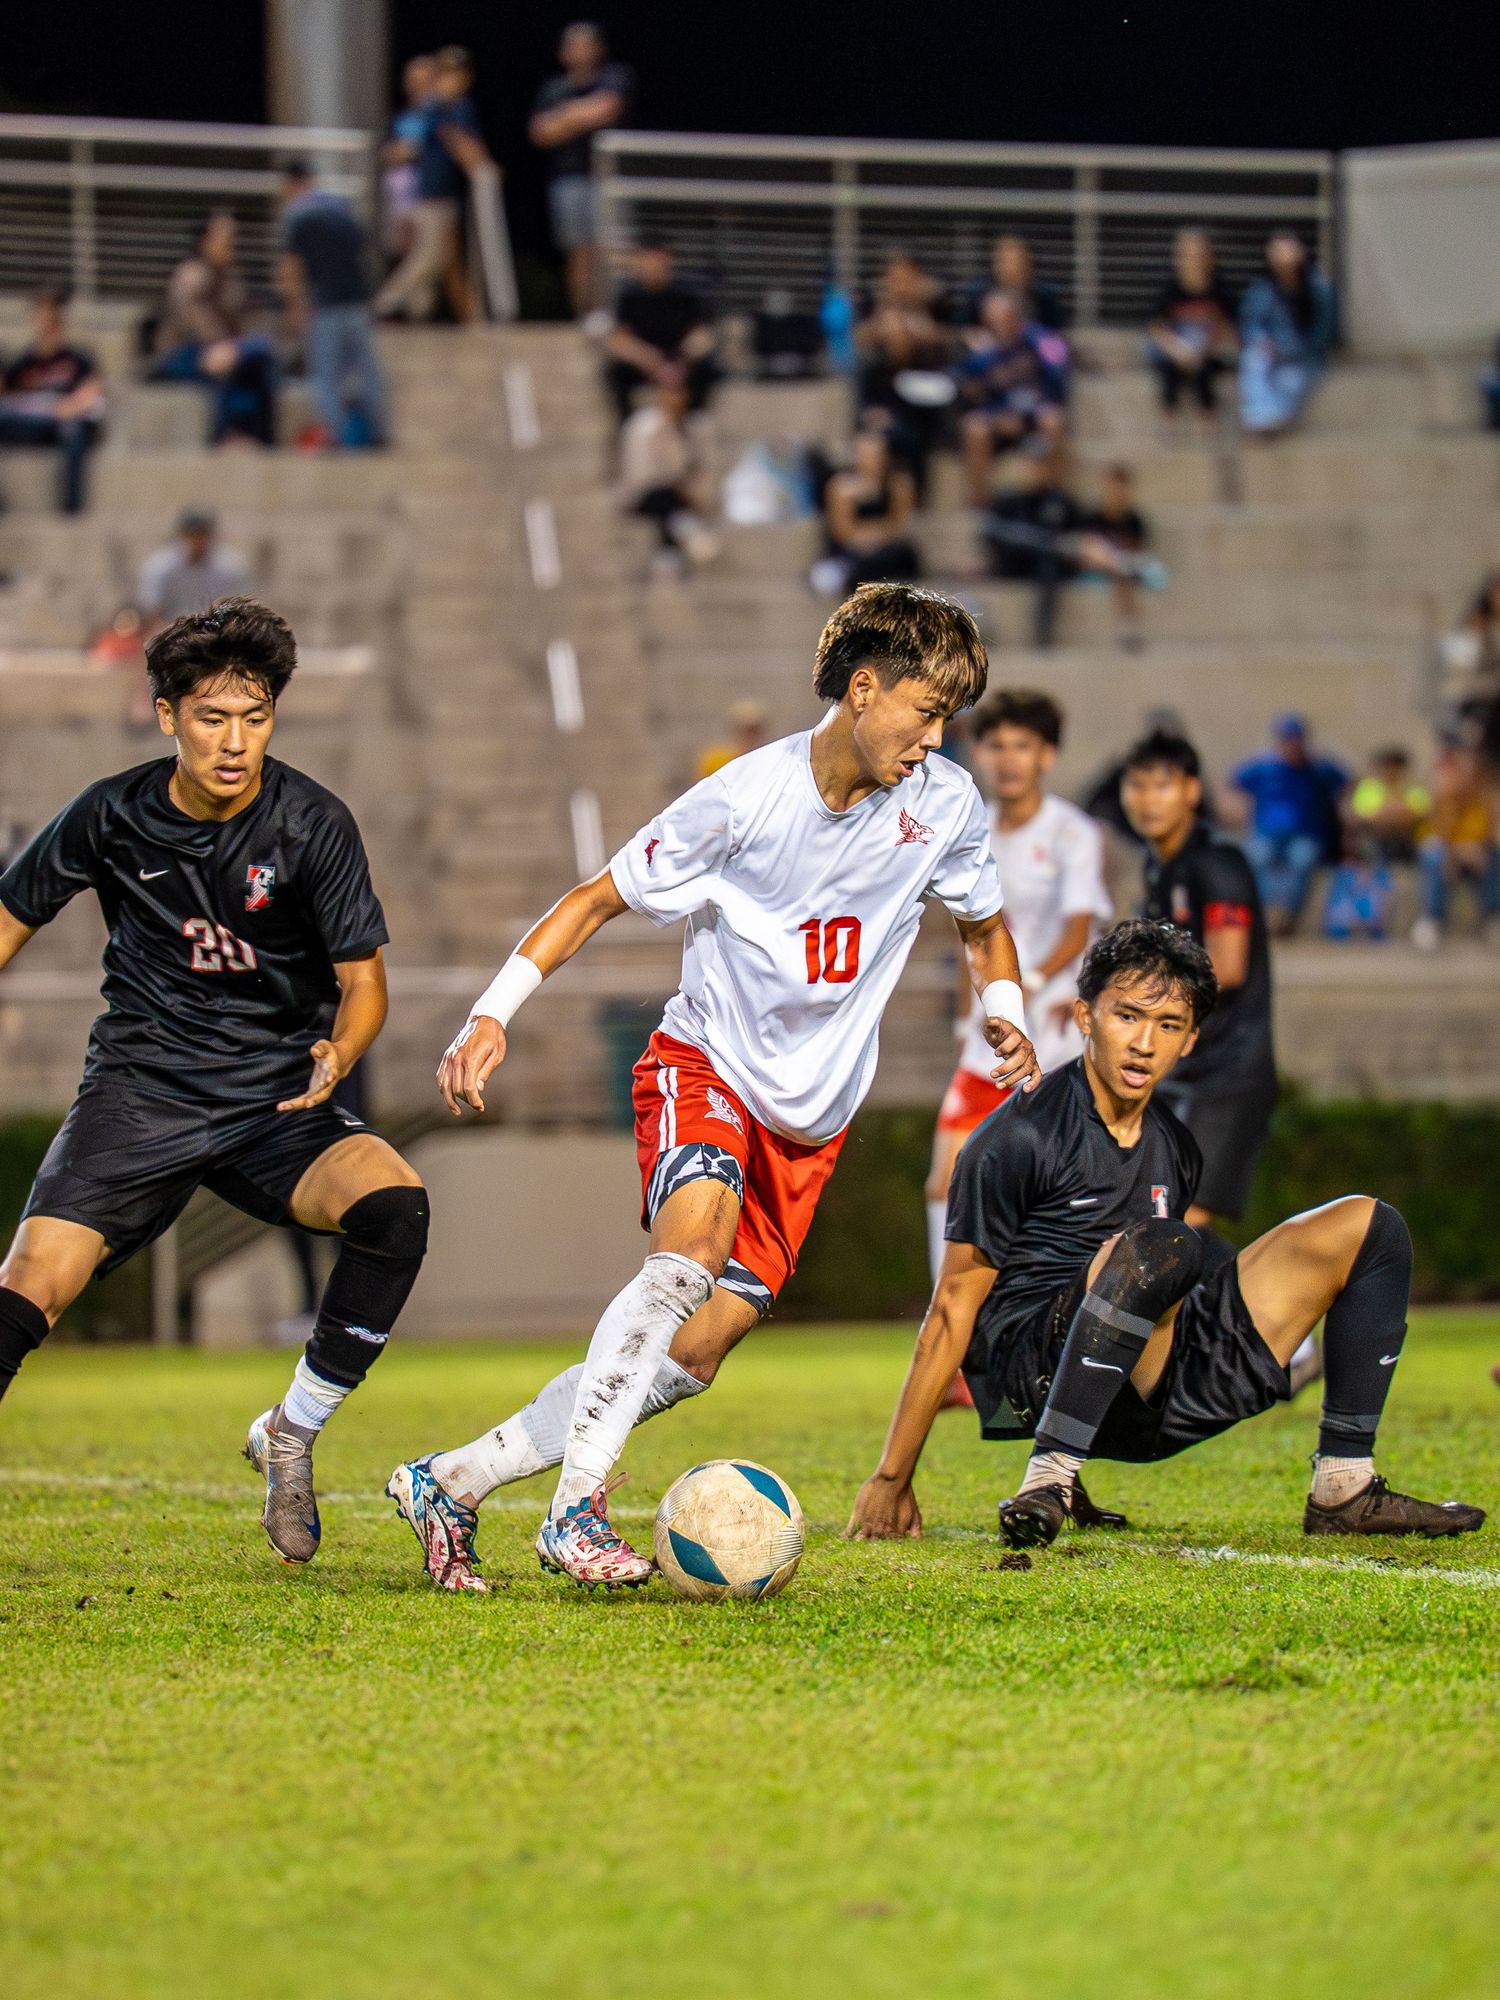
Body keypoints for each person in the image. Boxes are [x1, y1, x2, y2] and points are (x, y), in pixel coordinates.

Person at [385, 583, 1041, 1593]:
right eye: (925, 709)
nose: (935, 736)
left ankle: (453, 1478)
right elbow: (596, 897)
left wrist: (1009, 1008)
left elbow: (984, 925)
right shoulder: (744, 797)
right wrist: (490, 1012)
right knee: (684, 1257)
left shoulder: (944, 803)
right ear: (863, 688)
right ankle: (578, 1510)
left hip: (811, 1121)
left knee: (692, 1353)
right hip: (709, 1064)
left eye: (948, 717)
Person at [0, 601, 428, 1568]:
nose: (235, 742)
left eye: (256, 718)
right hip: (139, 1093)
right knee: (29, 1289)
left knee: (396, 1205)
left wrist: (341, 1052)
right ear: (167, 717)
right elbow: (8, 919)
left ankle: (293, 1429)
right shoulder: (111, 813)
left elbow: (364, 986)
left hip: (276, 1099)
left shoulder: (313, 822)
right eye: (211, 718)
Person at [846, 920, 1484, 1548]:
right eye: (1127, 1016)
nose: (1144, 1043)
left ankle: (1344, 1485)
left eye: (1168, 1025)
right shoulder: (1016, 1136)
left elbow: (1155, 1290)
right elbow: (953, 1307)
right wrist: (891, 1476)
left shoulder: (1176, 1148)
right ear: (1084, 1016)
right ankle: (1050, 1476)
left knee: (1369, 1226)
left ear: (1191, 1040)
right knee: (1168, 1243)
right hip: (1035, 1370)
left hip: (1146, 1382)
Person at [927, 690, 1111, 1290]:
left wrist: (1023, 984)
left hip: (1055, 1040)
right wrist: (965, 1026)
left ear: (1047, 756)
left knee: (1065, 1190)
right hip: (992, 1037)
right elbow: (969, 938)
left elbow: (1078, 928)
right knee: (946, 1179)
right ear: (977, 752)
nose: (1008, 759)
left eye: (1022, 746)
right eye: (996, 744)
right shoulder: (965, 824)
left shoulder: (1072, 833)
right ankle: (950, 1337)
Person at [1121, 731, 1274, 1235]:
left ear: (1191, 790)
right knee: (1158, 1219)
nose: (1147, 799)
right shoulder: (1161, 868)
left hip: (1227, 1073)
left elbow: (1227, 967)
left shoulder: (1217, 863)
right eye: (1137, 785)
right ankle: (1217, 1314)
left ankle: (1249, 1313)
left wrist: (1136, 990)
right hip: (1187, 1070)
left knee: (1179, 1225)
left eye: (1161, 785)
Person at [982, 449, 1155, 650]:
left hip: (1057, 565)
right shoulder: (1008, 500)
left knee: (1055, 565)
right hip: (1019, 561)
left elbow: (1077, 539)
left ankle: (1045, 637)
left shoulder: (1062, 501)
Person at [278, 161, 389, 450]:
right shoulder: (340, 208)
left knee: (326, 372)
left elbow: (292, 265)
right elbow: (361, 247)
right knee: (367, 369)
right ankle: (379, 431)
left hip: (325, 304)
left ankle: (336, 434)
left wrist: (295, 307)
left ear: (292, 184)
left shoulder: (296, 214)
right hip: (355, 301)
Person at [375, 46, 488, 323]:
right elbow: (411, 147)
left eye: (456, 73)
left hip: (440, 194)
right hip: (423, 194)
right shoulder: (436, 107)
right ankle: (382, 304)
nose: (451, 79)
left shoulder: (455, 106)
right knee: (429, 258)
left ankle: (420, 317)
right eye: (445, 73)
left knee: (441, 260)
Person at [530, 22, 634, 320]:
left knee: (613, 250)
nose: (578, 51)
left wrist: (564, 115)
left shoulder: (616, 76)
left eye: (585, 44)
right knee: (579, 252)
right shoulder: (553, 88)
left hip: (609, 179)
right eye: (572, 45)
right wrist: (584, 113)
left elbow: (608, 109)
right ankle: (584, 318)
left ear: (599, 49)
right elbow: (540, 133)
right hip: (568, 178)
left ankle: (615, 317)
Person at [152, 211, 278, 447]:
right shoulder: (190, 274)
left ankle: (264, 440)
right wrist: (223, 345)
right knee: (223, 370)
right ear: (206, 241)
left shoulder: (231, 277)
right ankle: (225, 436)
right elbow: (194, 318)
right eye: (223, 237)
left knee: (262, 362)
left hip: (227, 349)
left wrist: (236, 346)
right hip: (184, 351)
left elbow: (244, 321)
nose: (230, 243)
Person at [1230, 714, 1349, 934]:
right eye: (1287, 739)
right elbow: (1232, 787)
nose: (1292, 745)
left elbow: (1347, 784)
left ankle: (1287, 916)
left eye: (1296, 739)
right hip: (1265, 833)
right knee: (1257, 857)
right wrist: (1239, 811)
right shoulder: (1263, 767)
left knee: (1302, 858)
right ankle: (1264, 912)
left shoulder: (1319, 769)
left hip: (1305, 833)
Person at [854, 252, 955, 499]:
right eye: (894, 277)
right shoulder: (875, 362)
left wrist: (918, 313)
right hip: (886, 404)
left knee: (910, 437)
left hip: (922, 403)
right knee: (875, 437)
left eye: (906, 277)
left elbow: (951, 339)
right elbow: (861, 336)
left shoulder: (936, 308)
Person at [0, 286, 106, 513]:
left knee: (74, 431)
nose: (44, 321)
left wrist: (72, 406)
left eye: (49, 314)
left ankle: (71, 508)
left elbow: (93, 392)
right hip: (34, 423)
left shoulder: (77, 358)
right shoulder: (22, 364)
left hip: (68, 421)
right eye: (39, 313)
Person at [958, 290, 1068, 505]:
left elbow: (1061, 362)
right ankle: (981, 500)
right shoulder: (982, 347)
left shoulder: (1042, 337)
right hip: (998, 415)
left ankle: (1054, 496)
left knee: (1053, 420)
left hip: (1035, 411)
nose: (999, 322)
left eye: (1004, 316)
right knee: (973, 427)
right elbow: (962, 378)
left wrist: (1026, 413)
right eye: (992, 318)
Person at [602, 242, 717, 427]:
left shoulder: (685, 295)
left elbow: (701, 335)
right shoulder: (630, 297)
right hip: (646, 362)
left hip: (679, 360)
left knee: (709, 368)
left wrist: (681, 360)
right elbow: (620, 339)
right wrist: (651, 362)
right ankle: (626, 423)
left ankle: (693, 416)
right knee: (616, 372)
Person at [617, 380, 720, 575]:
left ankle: (668, 553)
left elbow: (706, 470)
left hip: (687, 497)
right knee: (665, 497)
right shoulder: (642, 428)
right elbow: (638, 476)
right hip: (647, 493)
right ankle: (689, 533)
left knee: (672, 506)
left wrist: (699, 497)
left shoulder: (698, 427)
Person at [1239, 233, 1336, 437]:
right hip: (1270, 353)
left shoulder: (1318, 290)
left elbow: (1323, 332)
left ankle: (1271, 417)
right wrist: (1264, 342)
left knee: (1290, 381)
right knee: (1253, 362)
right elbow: (1251, 325)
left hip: (1302, 357)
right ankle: (1260, 418)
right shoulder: (1263, 290)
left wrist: (1290, 349)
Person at [1412, 742, 1500, 950]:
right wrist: (1455, 851)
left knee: (1494, 857)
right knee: (1433, 856)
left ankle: (1493, 917)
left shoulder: (1486, 796)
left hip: (1476, 853)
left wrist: (1478, 846)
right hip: (1447, 852)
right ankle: (1432, 919)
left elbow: (1490, 831)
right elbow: (1437, 832)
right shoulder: (1440, 794)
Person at [1146, 230, 1238, 422]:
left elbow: (1229, 328)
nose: (1193, 261)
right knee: (1157, 356)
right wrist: (1177, 350)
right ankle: (1170, 415)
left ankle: (1209, 415)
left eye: (1198, 255)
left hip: (1210, 348)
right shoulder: (1170, 286)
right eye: (1187, 255)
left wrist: (1204, 349)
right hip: (1178, 348)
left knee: (1210, 368)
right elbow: (1156, 327)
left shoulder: (1220, 288)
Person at [813, 429, 919, 594]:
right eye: (865, 454)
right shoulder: (841, 487)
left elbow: (899, 525)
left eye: (877, 454)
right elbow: (842, 532)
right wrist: (874, 535)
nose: (871, 460)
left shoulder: (898, 484)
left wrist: (878, 536)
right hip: (850, 552)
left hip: (886, 548)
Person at [136, 510, 251, 629]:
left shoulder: (229, 566)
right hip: (173, 632)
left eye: (202, 534)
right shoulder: (161, 566)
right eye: (192, 534)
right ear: (182, 535)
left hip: (217, 632)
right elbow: (151, 610)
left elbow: (240, 608)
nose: (197, 540)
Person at [381, 55, 437, 263]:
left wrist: (408, 152)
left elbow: (425, 150)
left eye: (424, 81)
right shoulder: (400, 117)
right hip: (397, 194)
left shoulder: (439, 115)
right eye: (413, 81)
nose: (418, 86)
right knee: (403, 253)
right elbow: (388, 152)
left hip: (428, 193)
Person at [958, 235, 1066, 334]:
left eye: (1018, 261)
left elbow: (1057, 348)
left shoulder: (1044, 298)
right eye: (1005, 261)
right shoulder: (978, 295)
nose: (1011, 268)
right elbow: (960, 331)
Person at [695, 701, 769, 781]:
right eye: (747, 731)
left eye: (755, 731)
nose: (751, 737)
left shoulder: (768, 762)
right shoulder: (716, 761)